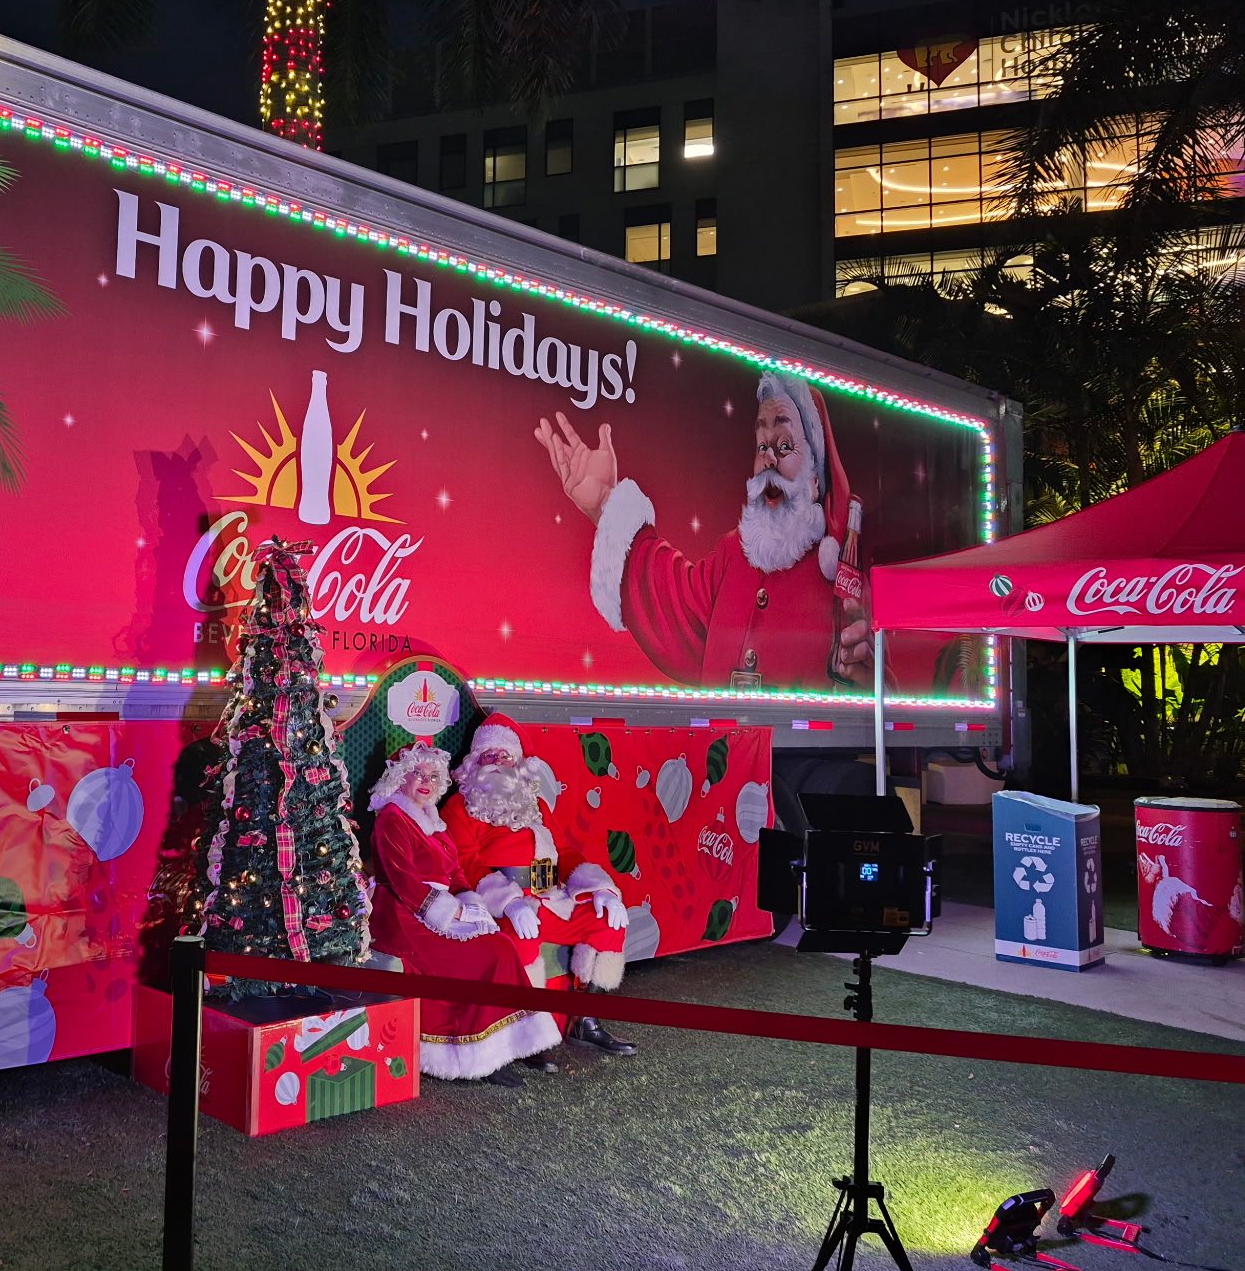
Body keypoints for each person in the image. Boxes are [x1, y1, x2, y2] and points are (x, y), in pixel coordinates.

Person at [536, 368, 872, 690]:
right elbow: (677, 606)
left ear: (815, 480)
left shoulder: (842, 582)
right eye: (761, 446)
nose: (769, 459)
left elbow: (876, 676)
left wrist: (870, 684)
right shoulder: (734, 553)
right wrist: (605, 501)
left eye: (785, 446)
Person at [366, 743, 561, 1085]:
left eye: (432, 776)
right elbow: (403, 881)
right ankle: (480, 1055)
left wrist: (470, 902)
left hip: (442, 906)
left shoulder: (434, 821)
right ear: (400, 778)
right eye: (417, 774)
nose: (426, 782)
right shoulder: (391, 819)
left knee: (500, 946)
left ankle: (505, 1045)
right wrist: (453, 911)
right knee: (485, 954)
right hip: (403, 913)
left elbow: (455, 871)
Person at [443, 715, 636, 1056]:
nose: (497, 762)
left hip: (550, 897)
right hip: (501, 905)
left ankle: (584, 1021)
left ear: (517, 763)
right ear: (474, 762)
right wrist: (509, 902)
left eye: (505, 756)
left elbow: (564, 852)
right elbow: (465, 863)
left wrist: (601, 889)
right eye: (489, 755)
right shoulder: (460, 806)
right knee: (521, 938)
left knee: (608, 920)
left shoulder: (537, 805)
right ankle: (528, 1035)